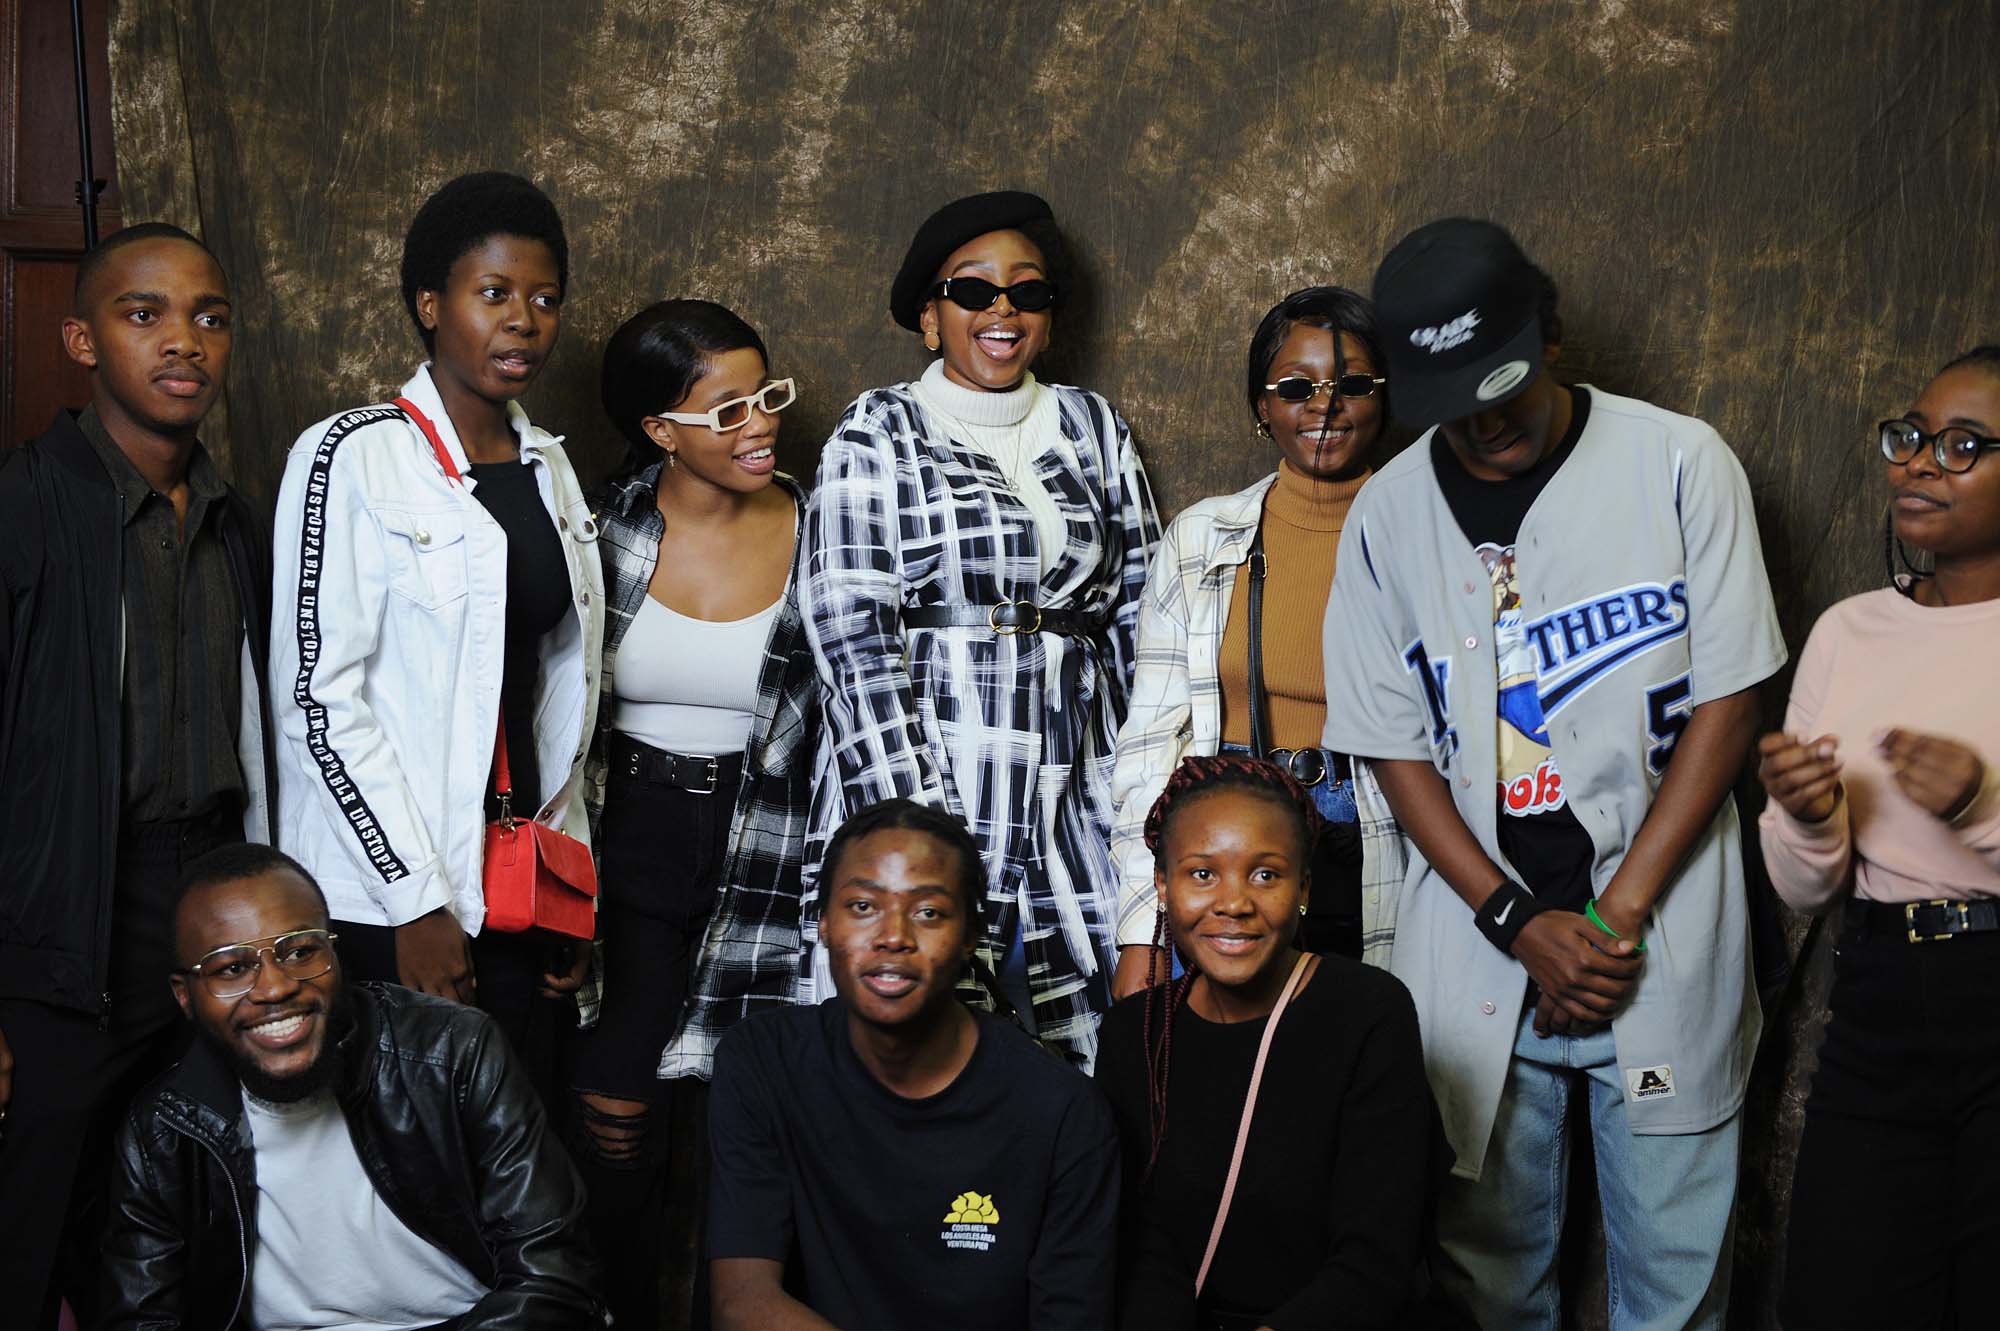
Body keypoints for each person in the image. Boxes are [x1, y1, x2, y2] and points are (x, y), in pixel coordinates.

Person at [1319, 217, 1786, 1329]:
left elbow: (1730, 697)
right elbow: (1389, 744)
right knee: (1483, 1284)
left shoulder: (1679, 461)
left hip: (1657, 929)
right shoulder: (1386, 513)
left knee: (1672, 1287)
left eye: (1503, 385)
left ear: (1551, 335)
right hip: (1483, 940)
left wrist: (1613, 915)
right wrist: (1514, 916)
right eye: (1451, 400)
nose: (1483, 423)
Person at [801, 190, 1160, 1063]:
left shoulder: (1094, 426)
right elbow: (851, 642)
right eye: (974, 291)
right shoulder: (876, 429)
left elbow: (1146, 620)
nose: (1003, 310)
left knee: (1086, 1071)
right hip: (924, 781)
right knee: (920, 1063)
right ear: (930, 316)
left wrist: (1126, 797)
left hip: (1074, 795)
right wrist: (924, 838)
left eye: (1027, 293)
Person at [0, 223, 276, 1328]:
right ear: (80, 338)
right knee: (33, 1215)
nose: (184, 342)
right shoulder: (24, 508)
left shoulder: (236, 522)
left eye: (209, 316)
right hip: (64, 907)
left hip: (207, 894)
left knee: (186, 1207)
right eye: (143, 313)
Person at [269, 172, 604, 1082]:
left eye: (544, 299)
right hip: (395, 907)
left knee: (515, 1170)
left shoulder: (551, 471)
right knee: (408, 1168)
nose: (524, 320)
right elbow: (315, 700)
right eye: (493, 293)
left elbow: (559, 695)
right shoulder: (352, 454)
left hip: (517, 886)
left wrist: (569, 885)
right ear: (429, 304)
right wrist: (415, 903)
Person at [569, 299, 819, 1329]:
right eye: (726, 409)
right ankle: (615, 1308)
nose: (759, 421)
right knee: (614, 1114)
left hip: (763, 847)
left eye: (767, 395)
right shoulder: (598, 528)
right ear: (659, 431)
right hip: (626, 847)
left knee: (743, 1129)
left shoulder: (823, 525)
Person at [99, 843, 602, 1328]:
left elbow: (552, 1279)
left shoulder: (453, 1054)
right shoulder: (162, 1133)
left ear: (335, 956)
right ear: (185, 996)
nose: (275, 987)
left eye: (299, 952)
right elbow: (145, 1320)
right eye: (232, 968)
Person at [1759, 345, 2000, 1328]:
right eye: (1909, 437)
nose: (1917, 464)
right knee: (1839, 1296)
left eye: (1960, 446)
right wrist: (1810, 819)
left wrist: (1978, 805)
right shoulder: (1847, 629)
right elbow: (1801, 886)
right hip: (1877, 995)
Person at [708, 799, 1119, 1331]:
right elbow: (742, 1302)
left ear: (971, 935)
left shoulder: (1064, 1113)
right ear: (824, 923)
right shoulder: (764, 1062)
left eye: (928, 912)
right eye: (862, 906)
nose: (894, 935)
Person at [1110, 285, 1393, 997]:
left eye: (1352, 384)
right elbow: (1149, 747)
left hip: (1385, 830)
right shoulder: (1203, 539)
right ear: (1261, 407)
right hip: (1228, 839)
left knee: (1351, 1060)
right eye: (1297, 387)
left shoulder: (1428, 534)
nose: (1324, 406)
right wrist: (1140, 927)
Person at [1096, 754, 1438, 1330]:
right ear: (1162, 885)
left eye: (1265, 875)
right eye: (1202, 873)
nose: (1234, 903)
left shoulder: (1367, 1012)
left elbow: (1375, 1260)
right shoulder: (1135, 1032)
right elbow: (1138, 1244)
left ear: (1303, 886)